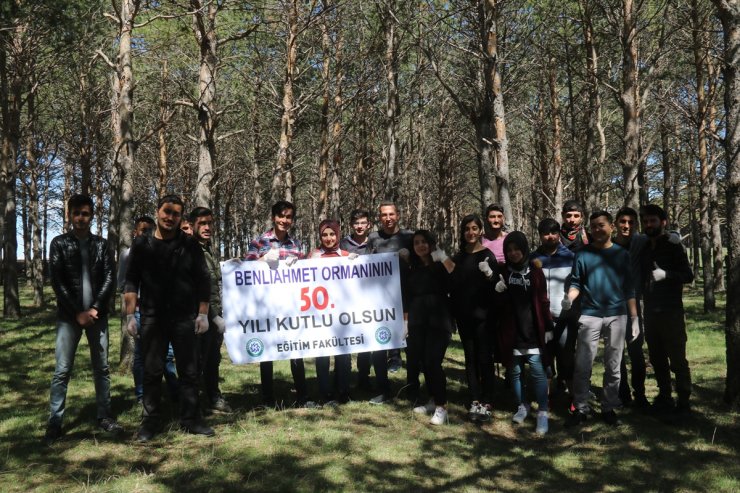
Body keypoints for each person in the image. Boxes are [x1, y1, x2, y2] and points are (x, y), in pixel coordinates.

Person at [124, 194, 214, 441]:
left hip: (185, 318)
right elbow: (131, 280)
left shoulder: (190, 245)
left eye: (176, 213)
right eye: (167, 211)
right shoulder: (142, 245)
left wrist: (203, 314)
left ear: (181, 217)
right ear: (157, 211)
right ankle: (151, 422)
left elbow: (203, 279)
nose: (170, 217)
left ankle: (191, 419)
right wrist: (130, 314)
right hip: (153, 317)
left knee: (190, 370)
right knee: (152, 371)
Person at [44, 194, 122, 445]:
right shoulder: (58, 243)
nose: (80, 218)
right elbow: (57, 281)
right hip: (69, 317)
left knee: (102, 368)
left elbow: (110, 277)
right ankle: (55, 422)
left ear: (91, 216)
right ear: (69, 215)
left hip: (97, 317)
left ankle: (104, 416)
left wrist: (95, 309)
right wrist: (77, 311)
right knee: (62, 370)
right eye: (76, 213)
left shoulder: (101, 245)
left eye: (85, 213)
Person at [564, 210, 639, 427]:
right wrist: (569, 299)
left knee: (613, 364)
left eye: (601, 225)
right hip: (589, 314)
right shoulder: (582, 254)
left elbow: (629, 288)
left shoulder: (621, 255)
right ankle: (580, 407)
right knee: (583, 364)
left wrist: (634, 318)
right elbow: (576, 283)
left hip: (617, 315)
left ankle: (609, 407)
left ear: (611, 227)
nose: (597, 229)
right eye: (594, 226)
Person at [245, 200, 310, 408]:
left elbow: (306, 275)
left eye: (289, 217)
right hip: (267, 306)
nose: (285, 220)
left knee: (296, 350)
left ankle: (302, 396)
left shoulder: (296, 244)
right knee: (267, 353)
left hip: (291, 306)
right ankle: (267, 399)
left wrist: (299, 263)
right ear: (274, 217)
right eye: (281, 216)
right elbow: (244, 270)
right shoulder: (259, 241)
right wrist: (262, 259)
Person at [495, 231, 553, 435]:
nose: (513, 253)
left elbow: (544, 301)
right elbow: (498, 305)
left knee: (538, 371)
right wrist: (498, 289)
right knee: (515, 371)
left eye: (517, 249)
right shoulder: (503, 272)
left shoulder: (535, 272)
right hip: (512, 332)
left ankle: (543, 412)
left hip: (533, 330)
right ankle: (522, 405)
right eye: (509, 250)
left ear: (524, 249)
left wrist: (548, 327)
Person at [117, 216, 179, 406]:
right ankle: (142, 395)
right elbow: (123, 284)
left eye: (149, 229)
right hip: (138, 310)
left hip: (162, 310)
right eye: (142, 230)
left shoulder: (160, 251)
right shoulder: (127, 254)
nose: (145, 233)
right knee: (141, 355)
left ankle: (174, 393)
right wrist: (130, 314)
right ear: (135, 232)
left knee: (168, 354)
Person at [639, 204, 694, 417]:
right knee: (657, 358)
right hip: (651, 313)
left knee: (677, 359)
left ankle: (684, 402)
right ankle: (664, 397)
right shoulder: (645, 247)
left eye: (653, 221)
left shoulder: (673, 246)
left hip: (671, 312)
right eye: (646, 221)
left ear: (663, 223)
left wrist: (667, 275)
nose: (648, 225)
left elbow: (688, 275)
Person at [450, 214, 498, 422]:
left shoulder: (488, 255)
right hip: (463, 316)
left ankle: (488, 400)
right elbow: (448, 283)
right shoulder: (457, 258)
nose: (470, 232)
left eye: (474, 228)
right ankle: (475, 399)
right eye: (467, 229)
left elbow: (497, 285)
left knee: (485, 358)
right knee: (470, 359)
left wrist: (490, 275)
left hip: (484, 316)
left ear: (480, 231)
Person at [404, 230, 455, 425]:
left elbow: (454, 276)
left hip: (439, 320)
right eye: (417, 242)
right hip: (418, 321)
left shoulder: (440, 265)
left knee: (433, 362)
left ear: (430, 243)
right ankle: (433, 399)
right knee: (425, 362)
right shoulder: (412, 268)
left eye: (424, 241)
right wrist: (405, 322)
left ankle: (442, 406)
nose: (420, 245)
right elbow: (407, 296)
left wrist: (442, 256)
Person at [365, 201, 414, 402]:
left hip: (407, 300)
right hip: (381, 302)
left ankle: (412, 389)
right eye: (384, 214)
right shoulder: (373, 238)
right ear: (380, 217)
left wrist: (409, 259)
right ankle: (383, 390)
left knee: (411, 346)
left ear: (398, 215)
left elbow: (421, 265)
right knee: (379, 344)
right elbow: (366, 267)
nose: (387, 218)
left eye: (391, 214)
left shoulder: (409, 237)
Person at [190, 207, 232, 414]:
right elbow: (196, 289)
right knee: (196, 362)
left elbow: (216, 282)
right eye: (202, 224)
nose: (207, 227)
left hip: (214, 317)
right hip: (199, 318)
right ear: (192, 225)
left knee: (213, 359)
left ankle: (213, 396)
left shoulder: (208, 249)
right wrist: (213, 317)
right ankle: (193, 404)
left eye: (209, 223)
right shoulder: (190, 250)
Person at [530, 218, 576, 402]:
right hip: (541, 319)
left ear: (559, 234)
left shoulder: (570, 257)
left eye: (553, 233)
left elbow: (577, 284)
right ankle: (545, 400)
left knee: (567, 357)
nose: (550, 237)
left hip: (564, 317)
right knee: (544, 359)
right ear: (540, 235)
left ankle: (574, 398)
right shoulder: (533, 259)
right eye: (545, 233)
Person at [309, 219, 353, 405]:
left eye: (332, 234)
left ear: (338, 235)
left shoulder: (346, 255)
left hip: (343, 315)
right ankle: (325, 392)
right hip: (320, 315)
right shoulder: (313, 255)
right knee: (322, 354)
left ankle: (343, 392)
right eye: (324, 235)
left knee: (344, 354)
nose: (328, 238)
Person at [613, 207, 649, 408]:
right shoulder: (608, 245)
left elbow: (660, 236)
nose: (626, 226)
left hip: (636, 305)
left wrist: (673, 236)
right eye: (623, 221)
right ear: (616, 224)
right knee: (617, 353)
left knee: (636, 352)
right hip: (614, 307)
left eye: (631, 222)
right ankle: (623, 392)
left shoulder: (640, 242)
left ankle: (640, 393)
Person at [339, 209, 373, 391]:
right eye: (356, 223)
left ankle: (363, 377)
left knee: (365, 339)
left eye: (363, 223)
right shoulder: (343, 243)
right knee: (345, 338)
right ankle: (343, 377)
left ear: (369, 225)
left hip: (369, 298)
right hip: (346, 299)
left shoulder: (374, 242)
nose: (359, 227)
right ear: (351, 225)